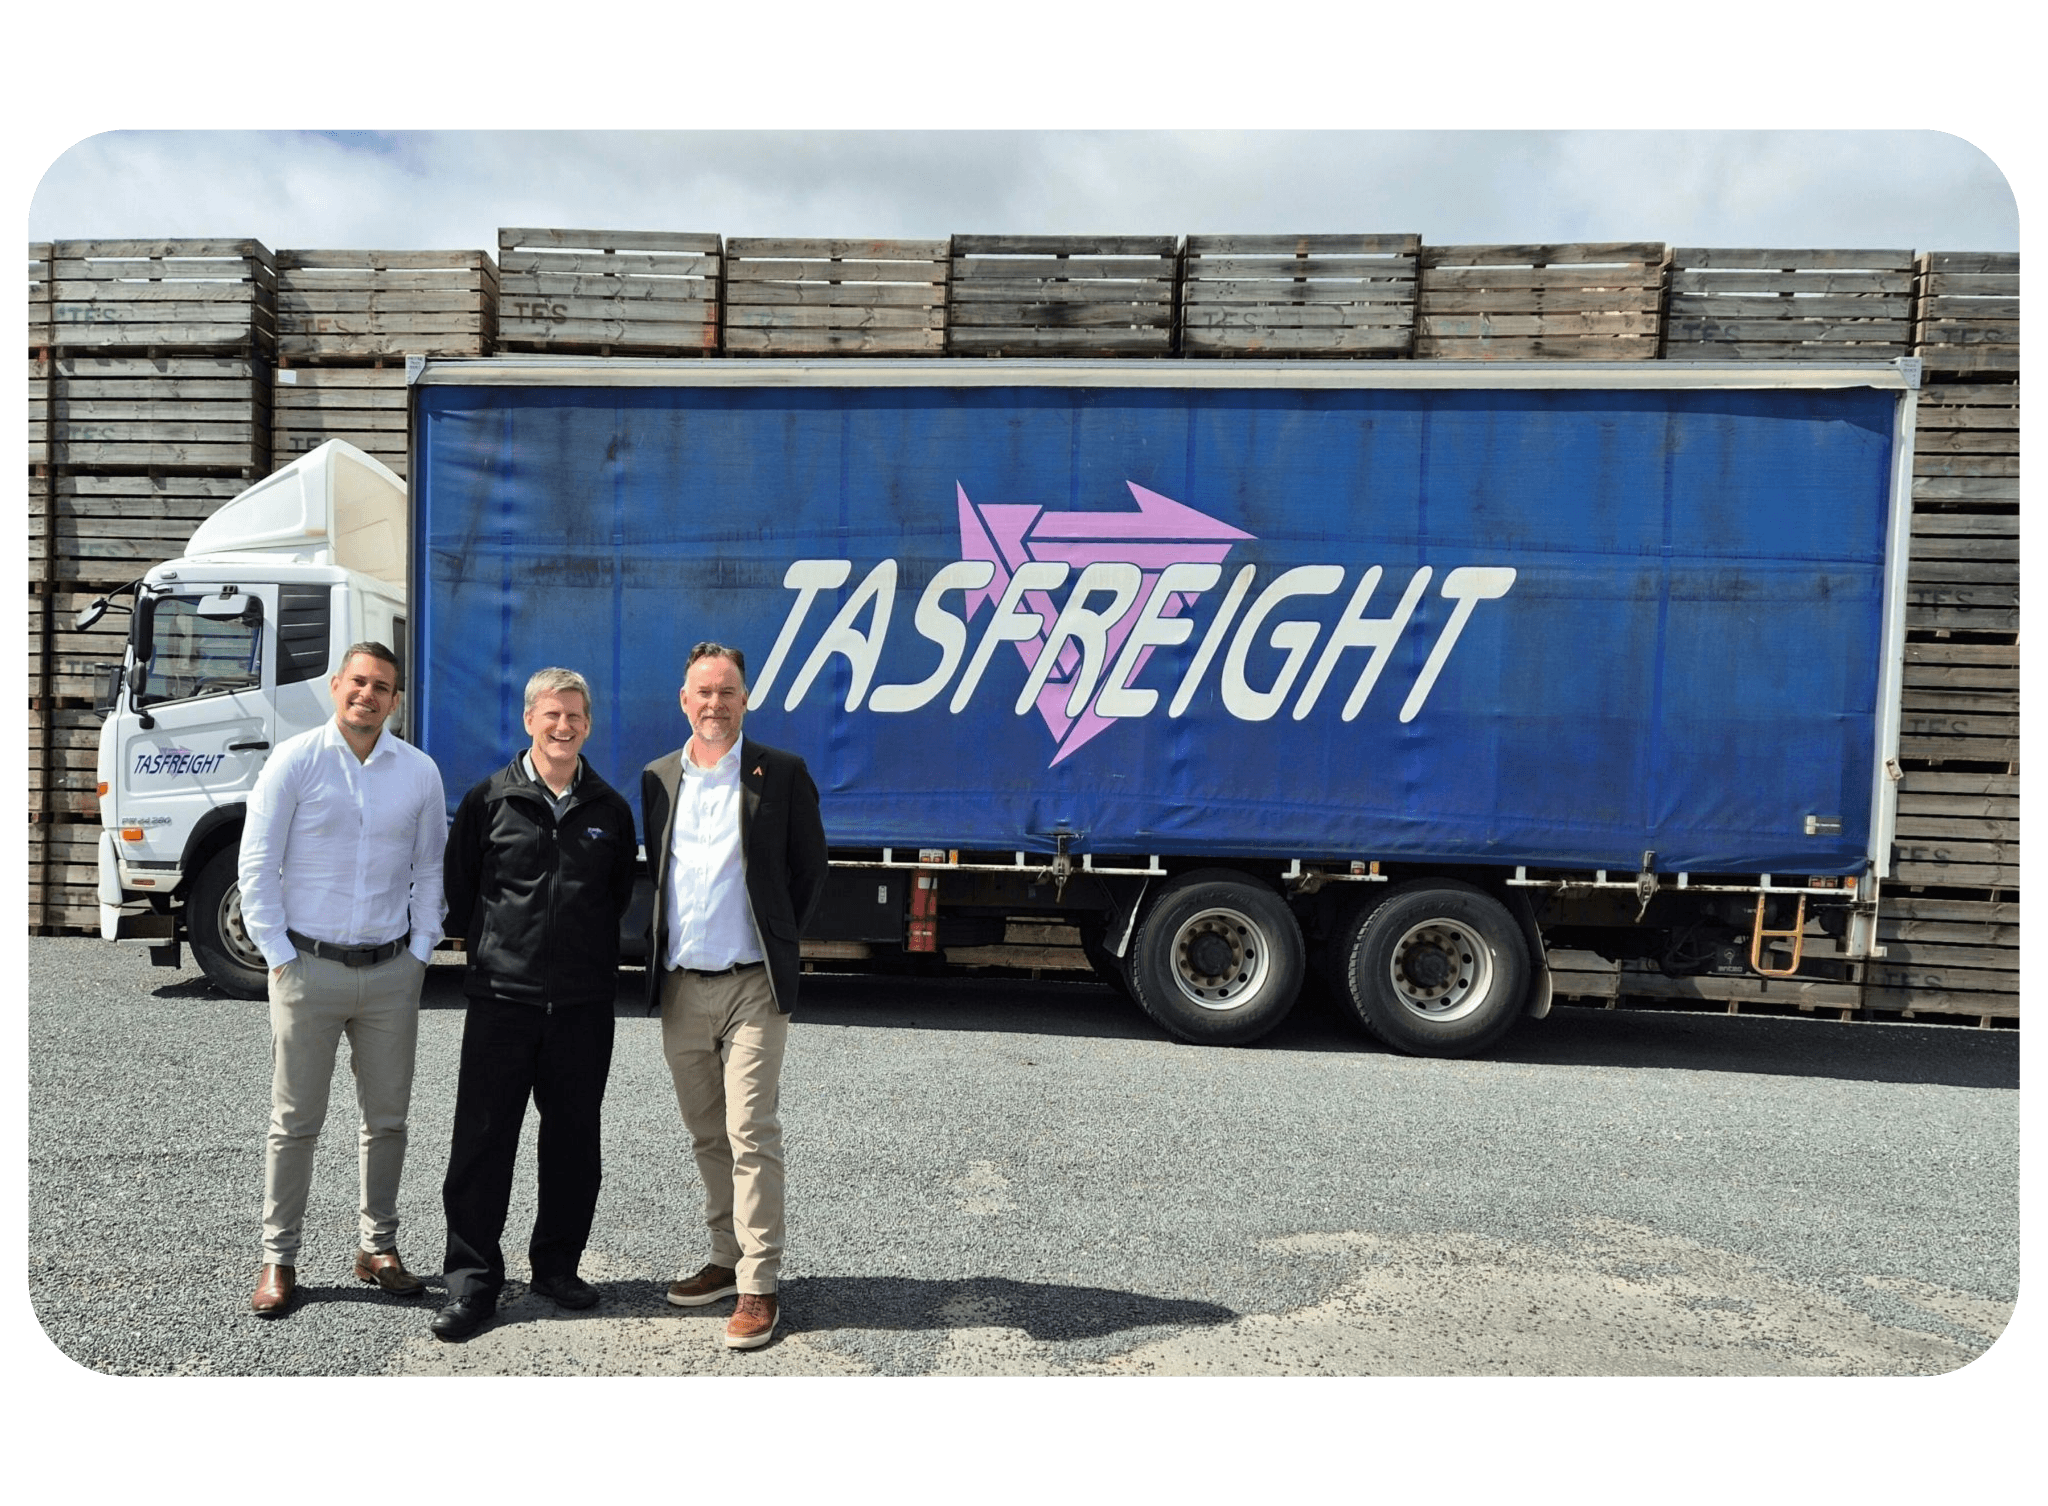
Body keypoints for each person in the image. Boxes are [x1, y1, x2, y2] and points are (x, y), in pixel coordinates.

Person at [238, 642, 447, 1317]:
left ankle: (377, 1248)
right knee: (295, 1122)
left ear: (395, 700)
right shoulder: (294, 761)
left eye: (382, 686)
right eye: (358, 681)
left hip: (390, 974)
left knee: (386, 1122)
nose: (368, 694)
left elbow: (430, 868)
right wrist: (277, 954)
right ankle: (279, 1258)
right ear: (336, 686)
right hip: (308, 969)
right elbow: (256, 863)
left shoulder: (418, 772)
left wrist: (420, 952)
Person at [430, 668, 638, 1343]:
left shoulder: (609, 809)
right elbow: (462, 892)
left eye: (575, 716)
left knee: (574, 1144)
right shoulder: (489, 800)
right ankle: (472, 1282)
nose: (564, 726)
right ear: (529, 720)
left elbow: (615, 898)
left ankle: (556, 1268)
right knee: (482, 1144)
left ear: (588, 725)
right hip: (502, 1002)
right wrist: (502, 956)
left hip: (582, 1008)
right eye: (552, 714)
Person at [644, 641, 827, 1350]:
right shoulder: (659, 778)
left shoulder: (782, 773)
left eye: (727, 692)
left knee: (751, 1130)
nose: (714, 704)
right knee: (706, 1132)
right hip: (683, 986)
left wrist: (775, 937)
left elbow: (809, 871)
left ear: (745, 699)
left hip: (753, 983)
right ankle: (724, 1258)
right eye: (703, 692)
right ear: (684, 700)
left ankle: (760, 1283)